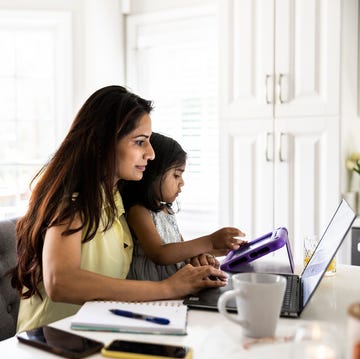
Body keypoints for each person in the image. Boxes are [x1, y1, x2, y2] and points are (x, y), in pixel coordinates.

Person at [9, 85, 244, 332]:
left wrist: (190, 258)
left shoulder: (115, 200)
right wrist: (167, 289)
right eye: (140, 142)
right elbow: (61, 282)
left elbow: (152, 254)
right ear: (101, 143)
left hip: (96, 330)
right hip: (51, 340)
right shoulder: (72, 203)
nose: (151, 154)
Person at [122, 132, 246, 281]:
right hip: (149, 293)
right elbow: (160, 254)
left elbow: (181, 250)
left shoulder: (166, 210)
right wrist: (210, 241)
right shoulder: (139, 212)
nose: (182, 182)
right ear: (152, 173)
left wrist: (214, 251)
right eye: (176, 175)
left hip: (173, 288)